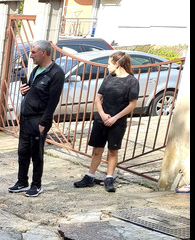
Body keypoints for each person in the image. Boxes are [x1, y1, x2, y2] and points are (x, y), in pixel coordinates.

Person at [73, 51, 139, 193]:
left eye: (109, 64)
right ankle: (89, 176)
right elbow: (97, 99)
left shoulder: (132, 81)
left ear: (118, 64)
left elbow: (132, 104)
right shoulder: (109, 78)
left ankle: (109, 178)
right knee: (97, 149)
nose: (107, 66)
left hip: (117, 122)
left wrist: (115, 117)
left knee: (113, 151)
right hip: (101, 120)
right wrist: (102, 114)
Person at [9, 40, 65, 197]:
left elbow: (53, 100)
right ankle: (22, 182)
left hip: (39, 119)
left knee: (36, 153)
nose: (31, 55)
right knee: (23, 152)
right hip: (27, 117)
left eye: (33, 52)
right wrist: (23, 91)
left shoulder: (56, 73)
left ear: (44, 53)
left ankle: (36, 185)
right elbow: (33, 91)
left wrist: (44, 122)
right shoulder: (35, 70)